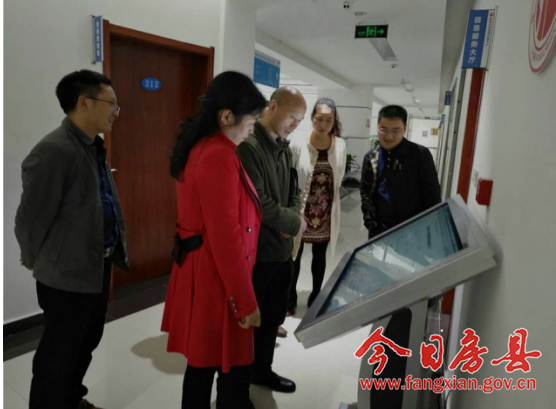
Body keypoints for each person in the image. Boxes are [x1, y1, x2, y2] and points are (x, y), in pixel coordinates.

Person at [14, 69, 129, 409]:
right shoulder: (54, 150)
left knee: (85, 343)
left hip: (95, 266)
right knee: (57, 356)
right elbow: (30, 219)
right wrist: (35, 259)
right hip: (65, 275)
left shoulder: (93, 146)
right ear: (84, 102)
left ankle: (70, 399)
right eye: (111, 104)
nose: (116, 112)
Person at [161, 71, 266, 409]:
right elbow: (226, 238)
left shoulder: (203, 147)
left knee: (202, 363)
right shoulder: (218, 155)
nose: (253, 129)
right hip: (217, 280)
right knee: (228, 368)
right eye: (251, 121)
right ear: (227, 117)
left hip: (204, 272)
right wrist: (245, 302)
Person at [359, 105, 441, 409]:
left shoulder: (420, 155)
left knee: (407, 305)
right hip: (380, 240)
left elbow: (432, 199)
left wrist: (424, 240)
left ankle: (402, 353)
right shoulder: (371, 157)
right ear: (377, 127)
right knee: (382, 297)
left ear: (405, 129)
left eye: (395, 130)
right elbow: (365, 193)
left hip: (412, 243)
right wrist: (372, 224)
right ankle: (381, 345)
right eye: (384, 129)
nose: (389, 135)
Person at [236, 86, 307, 394]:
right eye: (293, 116)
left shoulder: (283, 147)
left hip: (281, 250)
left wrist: (292, 220)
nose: (295, 124)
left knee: (272, 318)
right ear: (273, 106)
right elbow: (258, 201)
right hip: (259, 253)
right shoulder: (249, 146)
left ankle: (262, 371)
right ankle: (243, 380)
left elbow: (293, 192)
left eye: (300, 119)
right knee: (253, 321)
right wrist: (292, 222)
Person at [287, 97, 347, 315]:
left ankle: (316, 297)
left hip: (325, 212)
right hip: (301, 209)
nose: (323, 125)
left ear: (334, 121)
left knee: (319, 257)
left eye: (328, 120)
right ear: (312, 118)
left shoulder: (339, 145)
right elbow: (291, 176)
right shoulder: (298, 143)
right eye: (319, 119)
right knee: (294, 254)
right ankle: (290, 299)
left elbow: (339, 175)